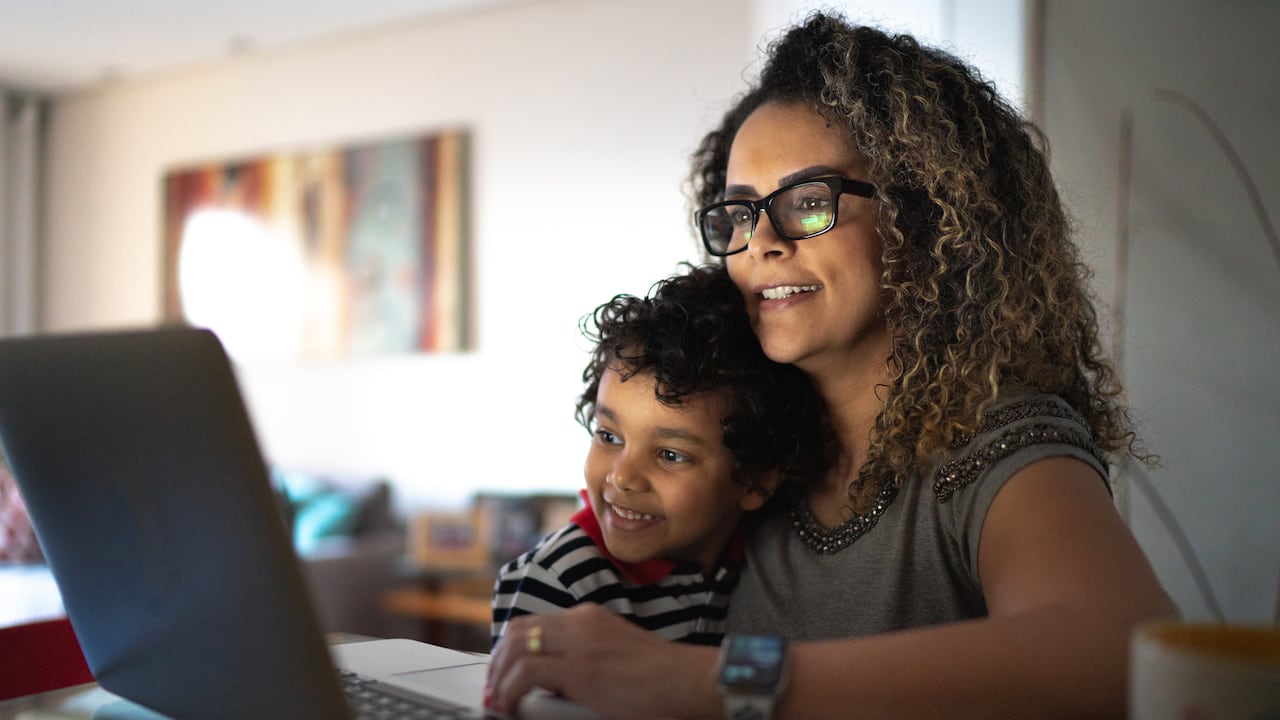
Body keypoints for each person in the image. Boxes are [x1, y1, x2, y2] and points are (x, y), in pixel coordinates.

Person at [486, 12, 1176, 720]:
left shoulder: (997, 442)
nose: (761, 243)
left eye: (809, 203)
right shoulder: (749, 434)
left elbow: (1121, 651)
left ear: (924, 220)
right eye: (740, 213)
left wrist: (710, 680)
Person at [490, 264, 831, 648]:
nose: (623, 477)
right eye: (608, 436)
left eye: (670, 454)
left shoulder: (759, 561)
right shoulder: (558, 582)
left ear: (756, 480)